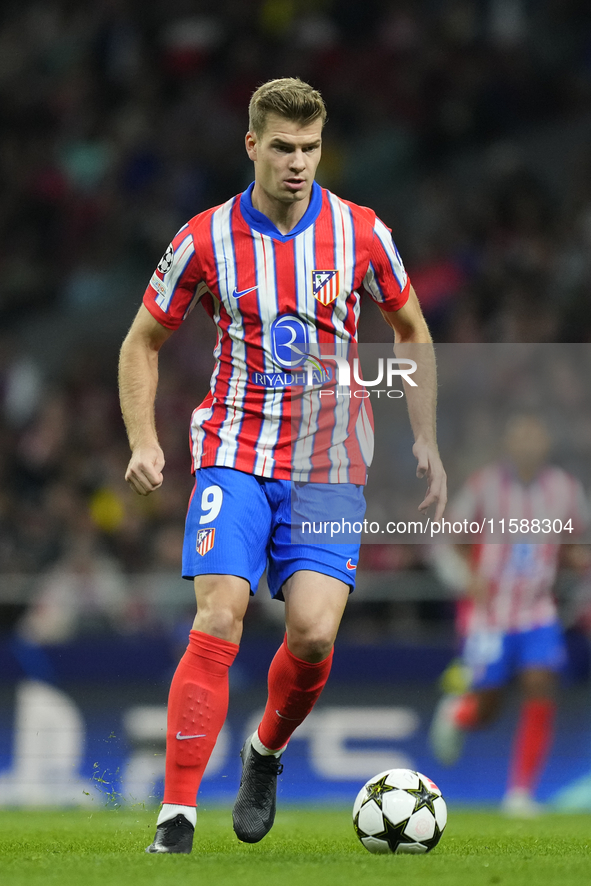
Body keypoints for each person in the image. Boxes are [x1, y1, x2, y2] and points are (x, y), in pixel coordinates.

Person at [118, 77, 446, 854]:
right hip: (234, 451)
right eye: (282, 148)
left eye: (310, 149)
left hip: (329, 465)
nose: (297, 163)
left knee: (310, 639)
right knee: (218, 614)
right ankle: (176, 816)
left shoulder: (362, 232)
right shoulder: (202, 238)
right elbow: (141, 340)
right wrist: (142, 439)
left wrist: (423, 434)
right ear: (252, 146)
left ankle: (263, 754)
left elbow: (412, 329)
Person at [429, 414, 589, 816]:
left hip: (538, 611)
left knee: (542, 683)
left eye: (535, 436)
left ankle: (519, 793)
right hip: (489, 616)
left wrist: (580, 558)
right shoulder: (484, 487)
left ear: (545, 443)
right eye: (520, 436)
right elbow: (446, 540)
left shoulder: (565, 490)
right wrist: (467, 579)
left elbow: (576, 542)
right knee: (488, 708)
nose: (528, 444)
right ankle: (458, 712)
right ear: (508, 444)